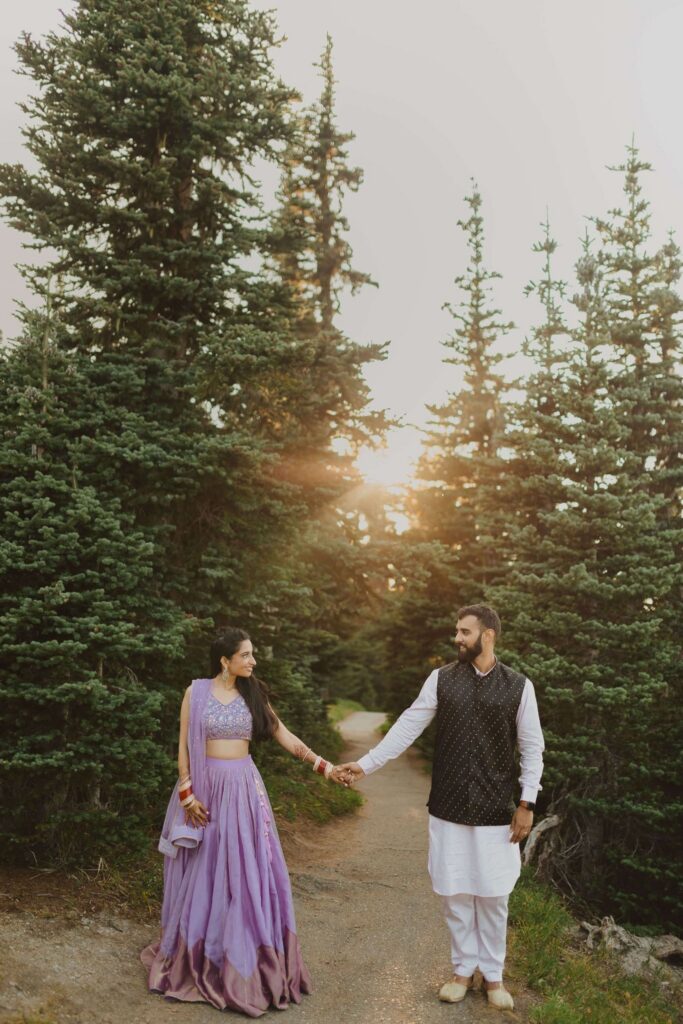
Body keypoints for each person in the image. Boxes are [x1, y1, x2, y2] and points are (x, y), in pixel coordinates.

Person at [338, 604, 544, 1011]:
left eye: (465, 632)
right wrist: (364, 765)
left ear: (488, 635)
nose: (457, 638)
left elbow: (533, 748)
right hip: (448, 805)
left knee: (493, 894)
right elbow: (406, 728)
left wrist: (527, 803)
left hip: (496, 810)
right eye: (457, 631)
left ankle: (494, 976)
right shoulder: (441, 680)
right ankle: (462, 970)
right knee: (454, 892)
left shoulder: (519, 686)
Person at [141, 628, 346, 1017]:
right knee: (207, 871)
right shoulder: (195, 692)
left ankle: (247, 958)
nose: (252, 661)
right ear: (225, 660)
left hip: (244, 790)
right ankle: (204, 953)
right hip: (205, 789)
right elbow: (184, 745)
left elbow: (282, 733)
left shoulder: (253, 695)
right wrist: (187, 793)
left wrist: (325, 767)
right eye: (246, 655)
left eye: (252, 655)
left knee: (247, 871)